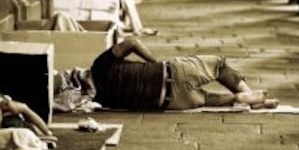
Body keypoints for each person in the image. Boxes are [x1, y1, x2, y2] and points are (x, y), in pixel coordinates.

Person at [90, 37, 279, 111]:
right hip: (171, 73)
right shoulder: (99, 66)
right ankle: (251, 95)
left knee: (208, 99)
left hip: (172, 102)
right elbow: (132, 42)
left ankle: (240, 100)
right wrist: (154, 64)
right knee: (218, 65)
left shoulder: (98, 99)